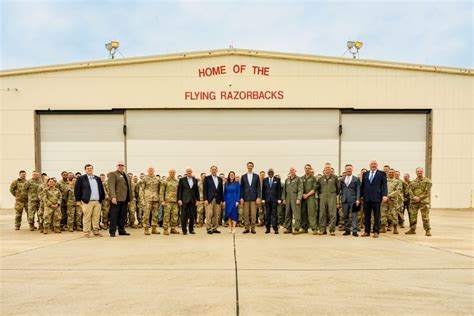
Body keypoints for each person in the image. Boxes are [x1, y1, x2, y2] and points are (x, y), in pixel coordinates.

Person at [75, 164, 105, 238]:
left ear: (93, 169)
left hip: (97, 201)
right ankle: (86, 232)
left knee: (96, 217)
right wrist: (78, 200)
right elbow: (77, 189)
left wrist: (102, 198)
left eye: (91, 168)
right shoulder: (81, 178)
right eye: (88, 168)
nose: (89, 170)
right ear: (85, 170)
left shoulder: (97, 178)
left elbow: (101, 188)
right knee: (87, 217)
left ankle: (96, 231)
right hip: (86, 201)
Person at [361, 160, 388, 238]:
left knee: (376, 216)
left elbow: (384, 185)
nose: (373, 165)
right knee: (366, 216)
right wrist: (362, 196)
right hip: (366, 198)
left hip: (377, 197)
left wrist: (385, 195)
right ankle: (367, 231)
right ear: (369, 165)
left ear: (377, 165)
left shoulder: (382, 173)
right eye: (372, 164)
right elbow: (363, 186)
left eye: (375, 164)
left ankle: (376, 231)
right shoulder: (365, 174)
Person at [107, 161, 132, 237]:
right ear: (116, 166)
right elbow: (111, 186)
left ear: (124, 166)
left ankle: (121, 231)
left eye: (122, 165)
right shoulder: (113, 174)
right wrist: (113, 197)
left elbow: (129, 187)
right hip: (116, 199)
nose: (121, 166)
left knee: (123, 216)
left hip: (125, 199)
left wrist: (129, 198)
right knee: (114, 215)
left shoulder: (126, 175)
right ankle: (112, 231)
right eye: (119, 165)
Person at [406, 167, 432, 236]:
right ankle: (412, 229)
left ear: (422, 172)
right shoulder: (412, 182)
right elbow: (409, 190)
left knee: (425, 216)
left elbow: (427, 191)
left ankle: (427, 230)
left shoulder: (428, 181)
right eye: (418, 171)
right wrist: (413, 197)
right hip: (414, 202)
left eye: (420, 171)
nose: (419, 172)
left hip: (423, 201)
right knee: (412, 216)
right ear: (416, 172)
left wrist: (420, 197)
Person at [317, 163, 341, 236]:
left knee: (332, 213)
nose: (327, 169)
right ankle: (322, 230)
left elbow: (338, 188)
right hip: (323, 196)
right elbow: (318, 188)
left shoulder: (335, 177)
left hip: (332, 195)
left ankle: (332, 230)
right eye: (326, 168)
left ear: (331, 169)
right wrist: (321, 195)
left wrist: (333, 194)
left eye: (329, 168)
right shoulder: (320, 178)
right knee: (322, 213)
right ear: (324, 169)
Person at [240, 162, 262, 234]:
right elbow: (242, 188)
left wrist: (258, 197)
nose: (250, 167)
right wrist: (241, 197)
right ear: (247, 167)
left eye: (251, 166)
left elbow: (258, 188)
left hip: (254, 198)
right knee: (246, 214)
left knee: (253, 214)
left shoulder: (256, 176)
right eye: (248, 166)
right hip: (245, 198)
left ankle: (253, 228)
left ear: (253, 167)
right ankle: (246, 228)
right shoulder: (243, 176)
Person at [340, 164, 361, 237]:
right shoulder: (342, 179)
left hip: (353, 200)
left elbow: (358, 189)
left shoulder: (356, 179)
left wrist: (358, 199)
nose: (348, 170)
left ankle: (355, 231)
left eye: (350, 169)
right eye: (347, 169)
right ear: (345, 170)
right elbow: (341, 190)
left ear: (352, 169)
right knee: (345, 216)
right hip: (344, 200)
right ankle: (347, 230)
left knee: (354, 216)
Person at [178, 167, 199, 235]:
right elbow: (179, 190)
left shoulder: (195, 180)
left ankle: (191, 229)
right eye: (188, 171)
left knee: (192, 215)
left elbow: (196, 191)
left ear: (191, 172)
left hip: (192, 200)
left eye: (190, 171)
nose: (189, 172)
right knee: (184, 216)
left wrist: (198, 200)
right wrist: (179, 199)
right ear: (186, 172)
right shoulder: (182, 180)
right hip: (184, 200)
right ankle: (184, 230)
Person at [203, 165, 224, 234]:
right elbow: (204, 190)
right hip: (209, 199)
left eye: (215, 169)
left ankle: (215, 228)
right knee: (208, 214)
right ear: (210, 170)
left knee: (216, 214)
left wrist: (222, 200)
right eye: (212, 169)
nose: (214, 171)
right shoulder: (207, 178)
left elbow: (221, 190)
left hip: (217, 199)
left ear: (217, 170)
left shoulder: (219, 179)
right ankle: (208, 228)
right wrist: (205, 199)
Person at [140, 167, 161, 235]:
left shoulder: (157, 179)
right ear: (148, 171)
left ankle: (154, 229)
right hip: (147, 199)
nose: (151, 171)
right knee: (146, 214)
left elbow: (160, 189)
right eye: (149, 170)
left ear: (154, 171)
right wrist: (142, 199)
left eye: (152, 170)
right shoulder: (144, 179)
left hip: (156, 198)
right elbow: (141, 190)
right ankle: (146, 229)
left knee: (155, 214)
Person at [282, 167, 303, 234]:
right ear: (289, 171)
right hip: (288, 198)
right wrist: (284, 199)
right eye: (290, 170)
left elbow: (300, 189)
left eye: (293, 170)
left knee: (296, 213)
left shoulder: (298, 179)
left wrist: (299, 198)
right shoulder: (287, 180)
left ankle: (296, 229)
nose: (292, 171)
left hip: (295, 197)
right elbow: (284, 190)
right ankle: (288, 228)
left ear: (295, 171)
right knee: (287, 213)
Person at [262, 168, 282, 234]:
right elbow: (263, 190)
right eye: (269, 172)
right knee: (267, 214)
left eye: (271, 172)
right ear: (268, 173)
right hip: (267, 200)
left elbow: (279, 190)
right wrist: (263, 199)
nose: (270, 173)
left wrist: (279, 199)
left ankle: (275, 229)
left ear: (273, 173)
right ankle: (267, 229)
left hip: (274, 200)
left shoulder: (277, 180)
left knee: (274, 215)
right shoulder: (265, 180)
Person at [160, 168, 180, 235]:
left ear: (175, 173)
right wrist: (162, 200)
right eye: (171, 172)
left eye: (173, 172)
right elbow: (161, 191)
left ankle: (173, 228)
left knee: (175, 215)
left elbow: (179, 192)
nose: (172, 173)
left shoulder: (177, 181)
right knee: (166, 215)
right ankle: (165, 229)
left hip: (175, 201)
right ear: (169, 173)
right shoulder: (165, 181)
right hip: (167, 201)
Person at [301, 164, 318, 234]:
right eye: (306, 168)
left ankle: (314, 228)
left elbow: (314, 189)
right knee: (303, 213)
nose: (307, 169)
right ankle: (304, 228)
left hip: (310, 197)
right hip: (303, 197)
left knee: (311, 213)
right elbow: (299, 188)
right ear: (304, 169)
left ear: (310, 169)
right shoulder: (301, 178)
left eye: (309, 168)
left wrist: (307, 195)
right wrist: (302, 194)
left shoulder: (313, 178)